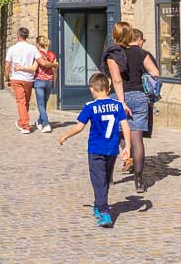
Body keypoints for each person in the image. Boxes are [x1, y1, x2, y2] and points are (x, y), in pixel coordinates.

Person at [58, 73, 131, 228]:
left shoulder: (90, 106)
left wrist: (65, 135)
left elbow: (79, 126)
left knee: (98, 180)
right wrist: (128, 147)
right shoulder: (117, 105)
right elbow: (125, 126)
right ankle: (99, 204)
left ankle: (105, 212)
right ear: (108, 88)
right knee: (105, 180)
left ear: (92, 89)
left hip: (96, 149)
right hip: (112, 149)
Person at [102, 21, 160, 193]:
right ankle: (139, 181)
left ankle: (109, 177)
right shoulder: (141, 52)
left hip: (118, 98)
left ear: (115, 35)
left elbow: (117, 80)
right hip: (139, 96)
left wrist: (121, 102)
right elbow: (155, 73)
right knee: (137, 139)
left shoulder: (112, 54)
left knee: (113, 137)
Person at [14, 36, 59, 133]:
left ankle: (46, 124)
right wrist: (54, 82)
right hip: (49, 81)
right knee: (44, 104)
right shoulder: (52, 55)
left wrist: (21, 68)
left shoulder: (38, 55)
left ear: (38, 44)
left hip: (39, 81)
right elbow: (55, 71)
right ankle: (39, 121)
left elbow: (33, 69)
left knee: (41, 105)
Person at [4, 27, 41, 134]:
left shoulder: (12, 49)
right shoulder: (33, 48)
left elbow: (7, 65)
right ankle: (22, 122)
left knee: (21, 102)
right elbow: (40, 60)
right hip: (29, 79)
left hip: (17, 78)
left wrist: (7, 78)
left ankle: (25, 126)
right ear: (27, 36)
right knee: (26, 102)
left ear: (18, 35)